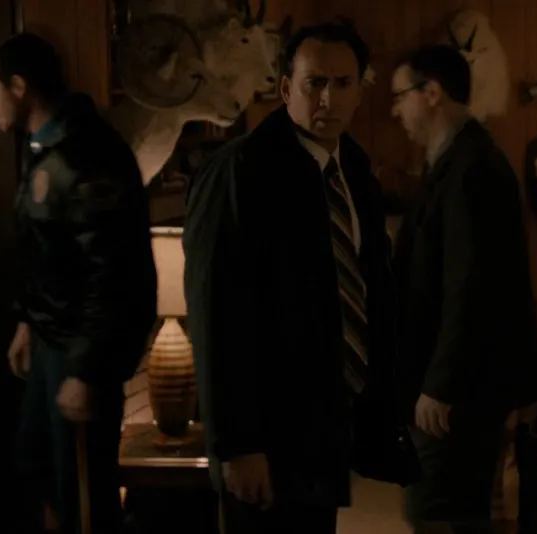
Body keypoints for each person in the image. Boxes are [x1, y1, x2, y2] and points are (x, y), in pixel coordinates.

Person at [184, 21, 398, 533]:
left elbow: (365, 287)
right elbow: (216, 313)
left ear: (360, 90)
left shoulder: (354, 170)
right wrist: (237, 444)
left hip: (328, 427)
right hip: (266, 431)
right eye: (314, 83)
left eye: (343, 84)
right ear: (286, 89)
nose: (328, 99)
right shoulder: (240, 170)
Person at [0, 32, 157, 534]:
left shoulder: (85, 154)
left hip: (82, 346)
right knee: (34, 460)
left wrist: (86, 370)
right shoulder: (45, 144)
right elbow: (46, 250)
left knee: (83, 492)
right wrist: (27, 320)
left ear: (19, 87)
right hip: (52, 336)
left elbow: (111, 273)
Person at [390, 44, 537, 534]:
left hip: (458, 393)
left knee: (441, 514)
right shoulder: (457, 162)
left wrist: (441, 384)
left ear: (432, 93)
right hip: (454, 385)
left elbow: (471, 286)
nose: (395, 110)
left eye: (400, 96)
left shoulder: (471, 166)